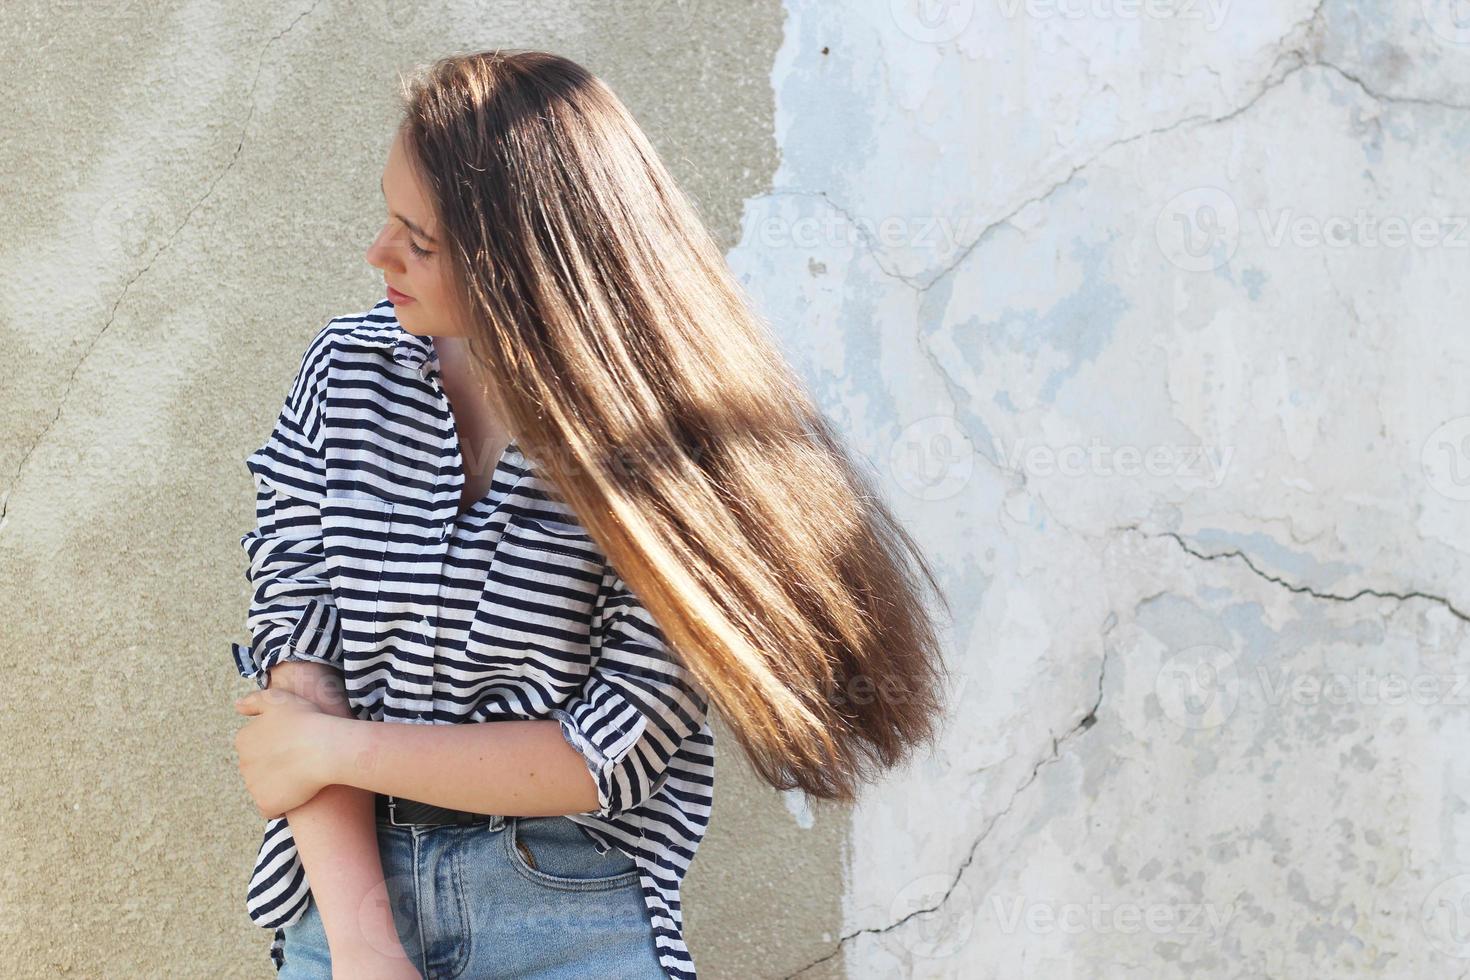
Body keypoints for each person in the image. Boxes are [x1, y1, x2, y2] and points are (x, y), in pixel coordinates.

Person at [228, 49, 953, 979]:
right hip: (345, 905)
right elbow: (298, 662)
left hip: (570, 915)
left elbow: (605, 753)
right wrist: (368, 950)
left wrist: (337, 747)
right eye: (390, 216)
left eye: (422, 239)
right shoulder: (344, 378)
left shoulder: (677, 451)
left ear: (526, 267)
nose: (379, 254)